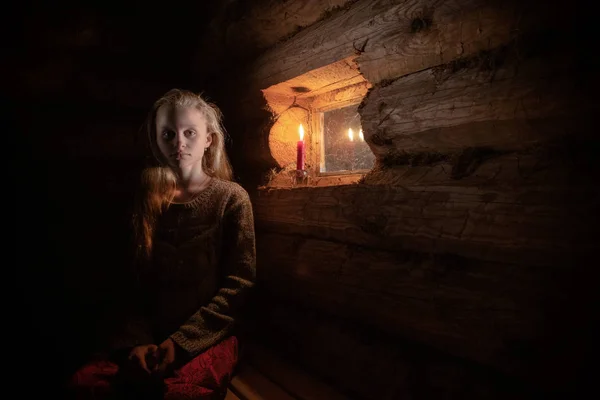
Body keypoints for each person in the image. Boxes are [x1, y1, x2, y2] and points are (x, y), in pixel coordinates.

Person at [68, 88, 257, 399]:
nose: (179, 143)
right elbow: (130, 281)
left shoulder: (231, 199)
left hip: (206, 336)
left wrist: (181, 342)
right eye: (168, 134)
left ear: (208, 139)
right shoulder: (144, 199)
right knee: (88, 386)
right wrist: (137, 341)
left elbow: (240, 283)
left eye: (190, 133)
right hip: (147, 335)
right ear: (156, 140)